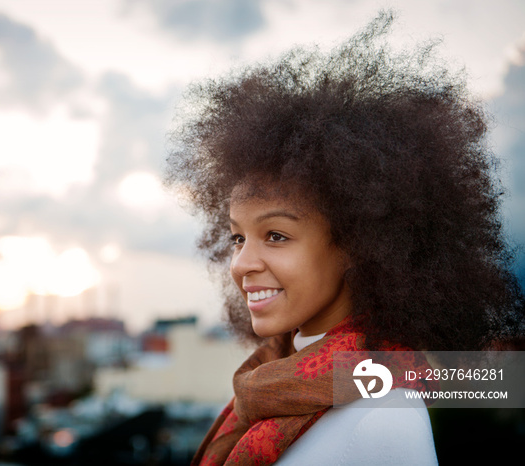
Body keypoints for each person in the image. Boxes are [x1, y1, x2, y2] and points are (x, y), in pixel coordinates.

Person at [164, 11, 524, 466]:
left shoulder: (384, 420)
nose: (240, 264)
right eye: (237, 238)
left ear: (360, 243)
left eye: (275, 235)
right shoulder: (264, 385)